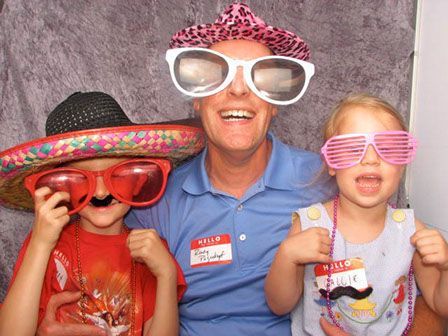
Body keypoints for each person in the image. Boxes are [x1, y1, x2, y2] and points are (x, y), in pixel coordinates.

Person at [37, 3, 446, 336]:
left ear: (275, 102)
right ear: (196, 100)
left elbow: (410, 278)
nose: (237, 90)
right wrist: (65, 321)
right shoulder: (156, 197)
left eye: (258, 79)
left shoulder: (328, 179)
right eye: (218, 76)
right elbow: (104, 274)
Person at [0, 91, 205, 336]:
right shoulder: (45, 245)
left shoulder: (150, 251)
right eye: (80, 179)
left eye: (117, 174)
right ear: (60, 187)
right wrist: (40, 245)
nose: (100, 191)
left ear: (139, 180)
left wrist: (167, 274)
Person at [265, 93, 448, 335]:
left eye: (388, 148)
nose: (370, 159)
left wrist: (446, 267)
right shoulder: (309, 224)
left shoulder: (412, 231)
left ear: (402, 163)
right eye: (351, 149)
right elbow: (279, 305)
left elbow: (440, 305)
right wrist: (286, 256)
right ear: (331, 163)